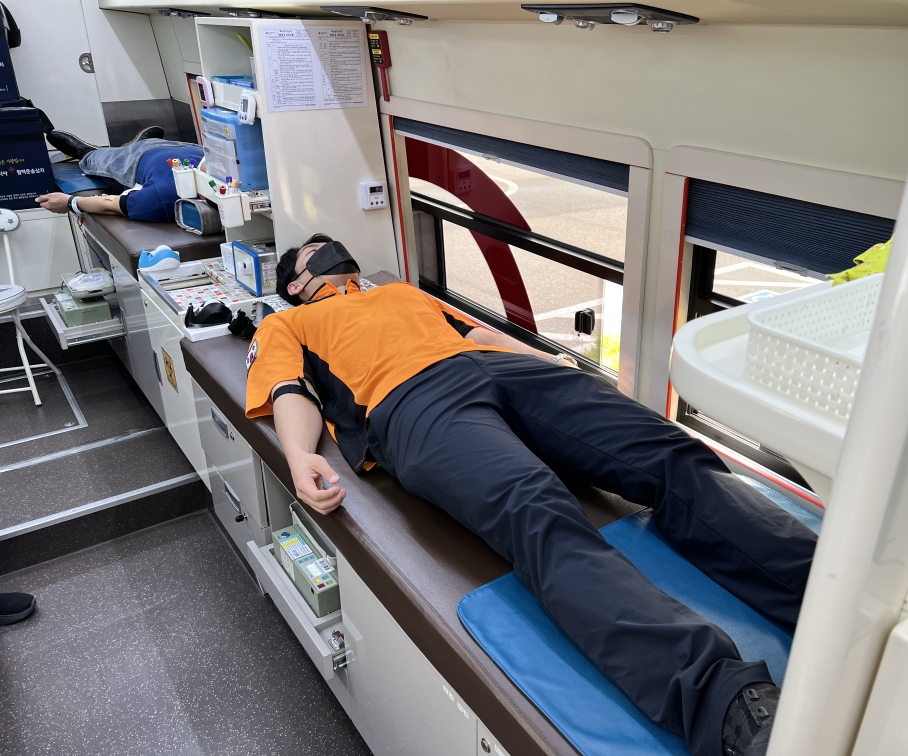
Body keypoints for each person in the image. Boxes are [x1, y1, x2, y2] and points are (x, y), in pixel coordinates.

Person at [246, 234, 818, 756]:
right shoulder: (289, 322)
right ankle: (723, 700)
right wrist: (300, 456)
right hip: (410, 401)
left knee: (667, 450)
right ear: (295, 284)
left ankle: (821, 593)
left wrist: (549, 362)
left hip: (502, 370)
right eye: (314, 251)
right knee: (536, 508)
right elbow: (289, 387)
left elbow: (476, 334)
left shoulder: (399, 292)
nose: (331, 248)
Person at [34, 128, 204, 223]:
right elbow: (111, 203)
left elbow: (112, 204)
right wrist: (70, 202)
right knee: (103, 158)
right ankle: (94, 151)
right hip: (163, 150)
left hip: (146, 155)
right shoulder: (166, 196)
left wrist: (69, 202)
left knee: (100, 160)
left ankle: (87, 151)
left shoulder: (162, 199)